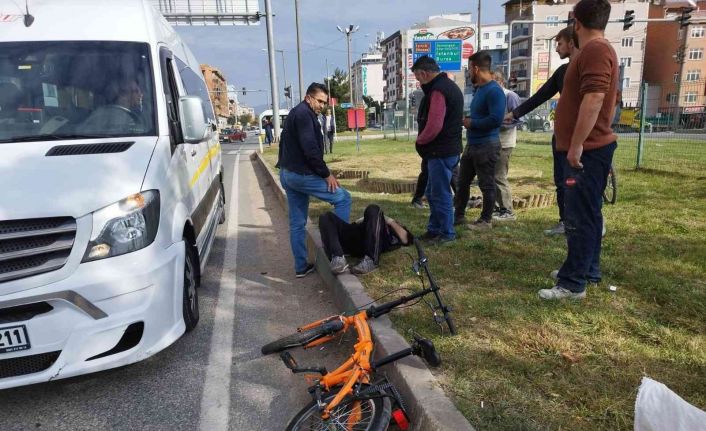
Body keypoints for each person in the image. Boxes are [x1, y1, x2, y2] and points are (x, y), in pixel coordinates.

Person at [538, 0, 618, 300]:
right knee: (589, 213)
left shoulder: (596, 51)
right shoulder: (593, 51)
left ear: (576, 23)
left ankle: (572, 284)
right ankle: (587, 269)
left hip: (588, 149)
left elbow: (594, 99)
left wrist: (576, 146)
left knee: (579, 217)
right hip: (588, 147)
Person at [506, 26, 577, 235]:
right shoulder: (563, 72)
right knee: (561, 181)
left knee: (577, 183)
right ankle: (565, 221)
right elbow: (541, 96)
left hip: (579, 138)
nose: (556, 49)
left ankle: (586, 221)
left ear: (571, 43)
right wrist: (516, 112)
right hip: (561, 137)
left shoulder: (585, 69)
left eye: (560, 43)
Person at [277, 82, 352, 278]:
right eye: (319, 101)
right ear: (308, 97)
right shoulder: (303, 115)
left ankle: (301, 267)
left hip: (288, 174)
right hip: (301, 175)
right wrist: (327, 175)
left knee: (297, 223)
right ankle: (338, 253)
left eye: (324, 102)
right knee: (343, 198)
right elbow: (310, 150)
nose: (322, 105)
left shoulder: (297, 113)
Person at [412, 56, 464, 245]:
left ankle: (447, 233)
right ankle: (434, 230)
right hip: (448, 149)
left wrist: (420, 140)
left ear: (424, 73)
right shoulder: (449, 86)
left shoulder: (438, 91)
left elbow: (434, 124)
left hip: (440, 151)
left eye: (418, 77)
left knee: (440, 194)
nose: (418, 82)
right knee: (433, 192)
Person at [454, 51, 506, 230]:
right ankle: (458, 216)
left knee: (486, 184)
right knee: (462, 182)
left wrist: (472, 123)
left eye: (469, 69)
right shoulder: (480, 90)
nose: (468, 73)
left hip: (487, 146)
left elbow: (496, 120)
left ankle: (486, 220)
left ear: (476, 68)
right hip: (472, 145)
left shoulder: (494, 91)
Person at [319, 204, 414, 275]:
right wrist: (360, 221)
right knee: (326, 216)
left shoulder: (391, 234)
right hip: (355, 238)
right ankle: (338, 258)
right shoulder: (370, 221)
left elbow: (406, 239)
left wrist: (390, 221)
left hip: (371, 243)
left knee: (373, 208)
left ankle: (371, 261)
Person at [492, 69, 521, 222]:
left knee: (500, 176)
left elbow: (516, 119)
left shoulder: (510, 96)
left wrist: (496, 124)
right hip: (492, 142)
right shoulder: (492, 97)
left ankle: (508, 210)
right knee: (492, 176)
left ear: (500, 82)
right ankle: (498, 207)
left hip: (505, 142)